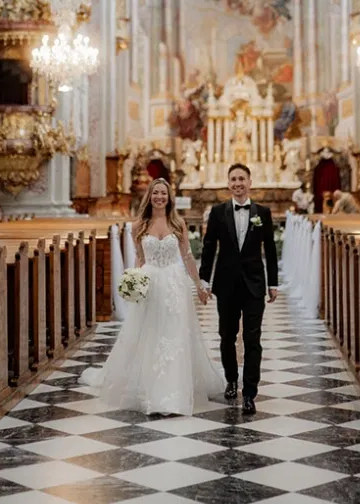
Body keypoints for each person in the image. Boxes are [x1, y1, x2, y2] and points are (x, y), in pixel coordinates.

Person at [79, 178, 223, 416]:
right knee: (150, 333)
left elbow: (187, 256)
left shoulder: (177, 223)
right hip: (151, 284)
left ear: (169, 197)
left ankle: (173, 392)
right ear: (150, 196)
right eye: (155, 193)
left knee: (174, 335)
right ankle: (149, 389)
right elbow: (139, 257)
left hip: (174, 286)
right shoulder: (139, 225)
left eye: (163, 193)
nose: (159, 197)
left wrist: (198, 285)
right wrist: (134, 281)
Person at [199, 163, 278, 416]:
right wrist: (204, 281)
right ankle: (231, 380)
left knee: (253, 339)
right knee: (227, 336)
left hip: (254, 284)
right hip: (227, 284)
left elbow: (271, 250)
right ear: (228, 183)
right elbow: (209, 247)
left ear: (250, 182)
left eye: (242, 179)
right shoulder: (217, 212)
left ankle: (250, 393)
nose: (238, 183)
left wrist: (273, 283)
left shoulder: (263, 212)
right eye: (233, 179)